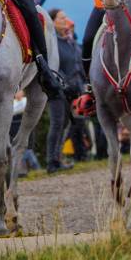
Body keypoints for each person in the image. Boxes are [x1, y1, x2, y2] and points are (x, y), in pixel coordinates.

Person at [46, 10, 87, 171]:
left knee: (70, 124)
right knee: (58, 124)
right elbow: (53, 65)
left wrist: (84, 83)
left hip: (75, 90)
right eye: (62, 18)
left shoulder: (70, 42)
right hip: (58, 91)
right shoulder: (52, 42)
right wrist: (64, 83)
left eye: (65, 17)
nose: (65, 20)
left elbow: (79, 64)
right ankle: (51, 162)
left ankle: (59, 158)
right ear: (53, 22)